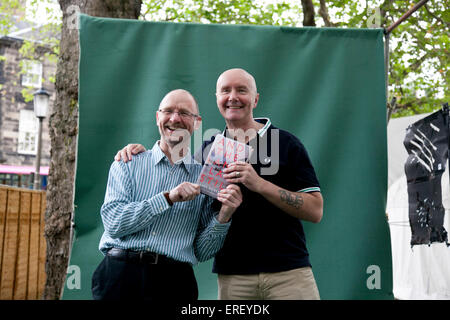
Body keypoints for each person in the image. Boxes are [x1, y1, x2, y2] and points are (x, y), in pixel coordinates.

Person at [115, 69, 323, 300]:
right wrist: (137, 150)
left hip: (289, 273)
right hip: (233, 277)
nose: (232, 97)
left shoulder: (285, 143)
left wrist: (260, 184)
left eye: (241, 90)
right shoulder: (205, 152)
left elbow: (315, 210)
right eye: (225, 90)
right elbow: (170, 164)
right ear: (217, 99)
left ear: (255, 99)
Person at [92, 89, 242, 301]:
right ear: (157, 117)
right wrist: (167, 198)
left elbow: (201, 251)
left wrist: (225, 214)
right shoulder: (128, 163)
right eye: (168, 111)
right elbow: (114, 224)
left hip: (174, 283)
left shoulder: (206, 178)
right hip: (119, 277)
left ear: (197, 122)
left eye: (184, 113)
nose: (174, 119)